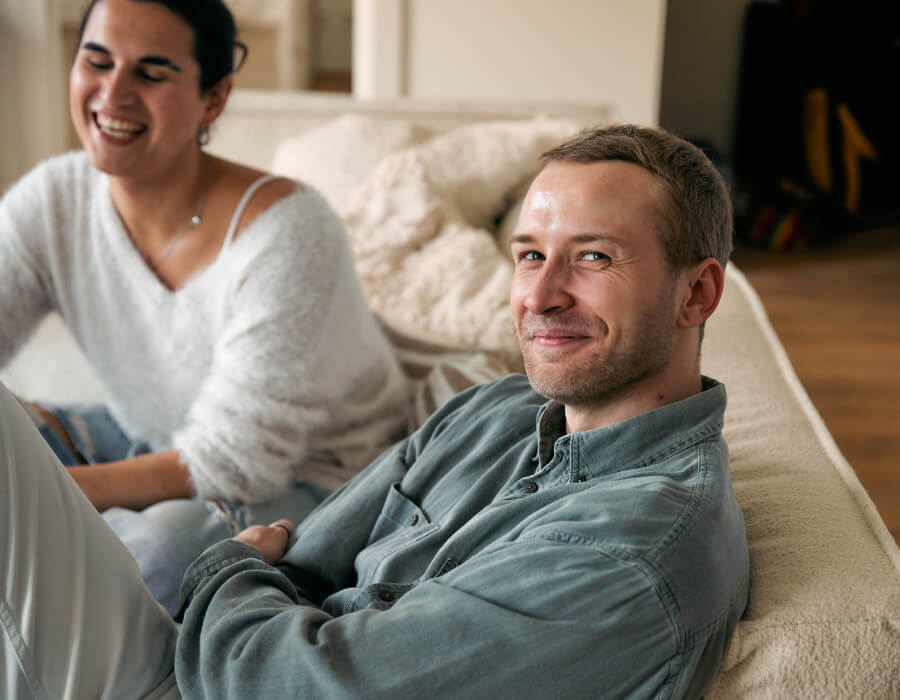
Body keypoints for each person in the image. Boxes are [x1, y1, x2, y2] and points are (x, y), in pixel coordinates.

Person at [1, 124, 750, 699]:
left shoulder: (633, 555)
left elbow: (279, 680)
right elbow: (298, 558)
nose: (542, 294)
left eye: (593, 258)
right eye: (529, 255)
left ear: (698, 293)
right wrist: (251, 582)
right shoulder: (498, 409)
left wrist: (224, 571)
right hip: (205, 656)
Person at [0, 0, 408, 615]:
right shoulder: (54, 198)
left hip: (307, 480)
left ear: (213, 99)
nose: (112, 93)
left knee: (153, 560)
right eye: (97, 61)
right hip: (148, 434)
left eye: (152, 72)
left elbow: (228, 462)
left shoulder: (289, 231)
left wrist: (38, 493)